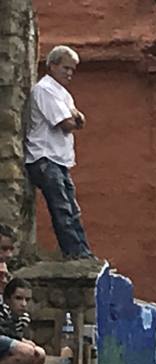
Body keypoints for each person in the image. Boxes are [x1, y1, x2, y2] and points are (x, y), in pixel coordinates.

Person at [25, 46, 92, 259]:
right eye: (65, 68)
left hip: (59, 159)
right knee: (62, 208)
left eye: (72, 69)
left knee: (72, 209)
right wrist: (76, 120)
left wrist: (76, 120)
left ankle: (83, 252)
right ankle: (75, 253)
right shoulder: (45, 89)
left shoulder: (62, 93)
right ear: (52, 66)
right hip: (45, 157)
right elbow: (65, 122)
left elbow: (78, 119)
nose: (69, 73)